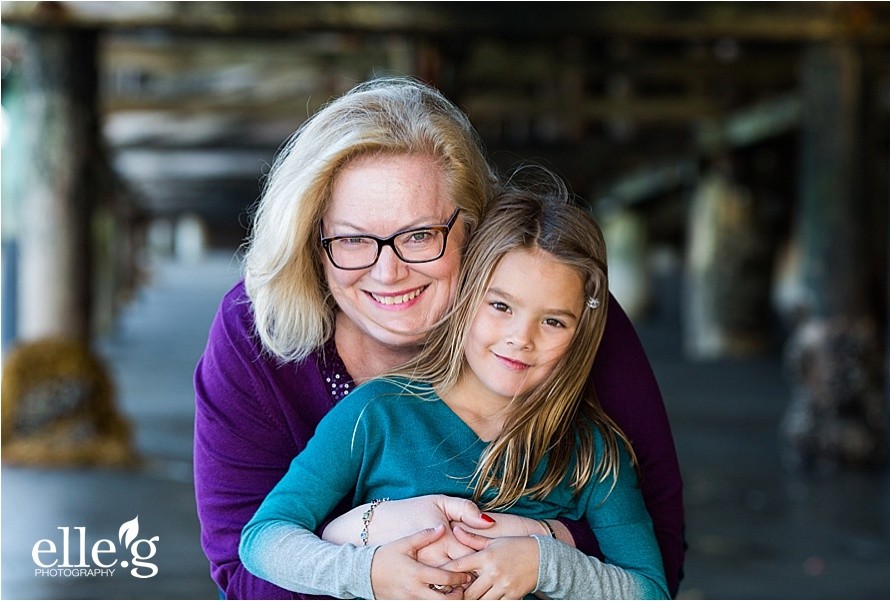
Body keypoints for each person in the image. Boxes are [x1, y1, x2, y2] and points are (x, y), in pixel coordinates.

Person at [193, 76, 685, 600]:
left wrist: (545, 547)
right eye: (353, 239)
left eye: (420, 235)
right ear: (315, 244)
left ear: (477, 233)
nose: (388, 272)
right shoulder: (358, 405)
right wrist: (368, 545)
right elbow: (248, 564)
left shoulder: (567, 325)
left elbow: (656, 565)